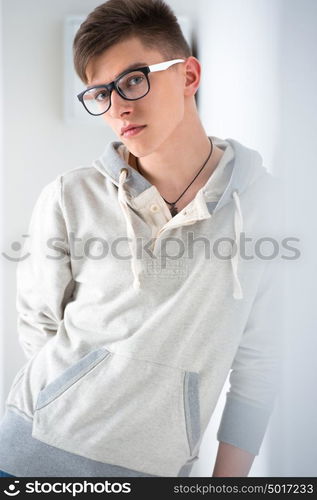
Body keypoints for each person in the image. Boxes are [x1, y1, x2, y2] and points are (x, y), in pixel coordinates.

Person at [0, 0, 283, 477]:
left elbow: (262, 363)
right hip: (31, 456)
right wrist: (74, 397)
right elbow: (40, 325)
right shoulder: (71, 195)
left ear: (189, 76)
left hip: (158, 472)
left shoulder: (268, 207)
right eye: (100, 94)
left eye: (134, 79)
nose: (119, 107)